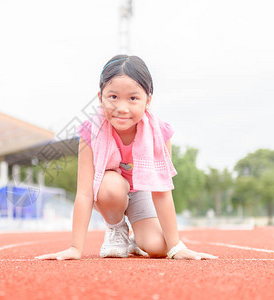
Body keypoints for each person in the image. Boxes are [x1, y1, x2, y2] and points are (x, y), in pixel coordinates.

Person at [36, 55, 218, 260]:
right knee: (112, 187)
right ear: (100, 97)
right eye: (113, 97)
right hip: (108, 191)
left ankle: (135, 242)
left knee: (158, 249)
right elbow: (85, 193)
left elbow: (161, 191)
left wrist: (176, 247)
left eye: (133, 98)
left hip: (141, 191)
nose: (122, 108)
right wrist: (75, 248)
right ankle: (116, 229)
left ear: (147, 101)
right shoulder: (90, 132)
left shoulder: (160, 133)